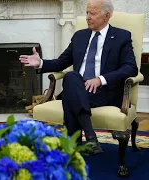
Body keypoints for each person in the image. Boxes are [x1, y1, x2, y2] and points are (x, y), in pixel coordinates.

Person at [19, 0, 138, 155]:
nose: (87, 17)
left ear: (106, 16)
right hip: (79, 89)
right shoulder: (80, 36)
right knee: (72, 77)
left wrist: (101, 79)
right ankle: (90, 137)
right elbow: (61, 62)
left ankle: (75, 146)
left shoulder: (121, 36)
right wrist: (40, 62)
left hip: (104, 92)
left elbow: (131, 67)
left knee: (70, 92)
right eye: (87, 12)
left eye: (93, 13)